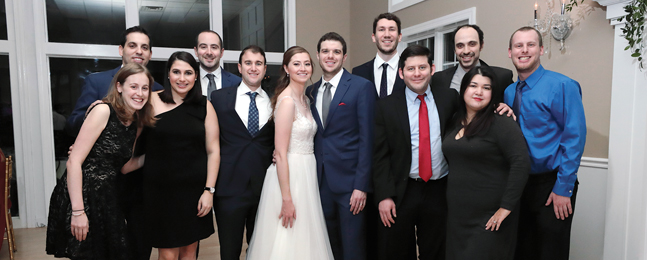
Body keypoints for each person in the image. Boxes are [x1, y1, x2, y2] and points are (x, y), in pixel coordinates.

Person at [46, 63, 156, 259]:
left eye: (145, 88)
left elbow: (124, 167)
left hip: (107, 197)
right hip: (82, 194)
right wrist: (78, 211)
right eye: (134, 86)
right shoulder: (103, 110)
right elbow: (73, 162)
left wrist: (155, 157)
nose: (139, 93)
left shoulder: (135, 121)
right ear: (120, 86)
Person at [127, 51, 219, 260]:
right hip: (159, 192)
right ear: (168, 74)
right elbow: (122, 119)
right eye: (176, 72)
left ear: (196, 76)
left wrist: (209, 191)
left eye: (188, 73)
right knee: (167, 254)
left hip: (193, 192)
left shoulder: (205, 106)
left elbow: (213, 151)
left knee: (189, 251)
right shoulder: (150, 100)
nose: (182, 78)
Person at [505, 27, 586, 260]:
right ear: (510, 52)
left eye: (530, 45)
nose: (524, 50)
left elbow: (575, 138)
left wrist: (564, 187)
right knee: (522, 250)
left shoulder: (563, 86)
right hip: (520, 184)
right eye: (518, 46)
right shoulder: (509, 92)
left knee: (551, 252)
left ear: (541, 50)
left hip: (552, 183)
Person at [246, 46, 334, 260]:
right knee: (287, 237)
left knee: (306, 237)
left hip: (307, 173)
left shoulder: (306, 99)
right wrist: (286, 199)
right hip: (290, 177)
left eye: (306, 63)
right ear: (286, 68)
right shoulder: (287, 102)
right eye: (296, 64)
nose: (302, 68)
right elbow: (281, 153)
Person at [372, 45, 457, 260]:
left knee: (437, 250)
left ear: (432, 69)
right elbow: (379, 155)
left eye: (422, 67)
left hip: (440, 188)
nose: (417, 73)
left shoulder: (450, 98)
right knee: (399, 251)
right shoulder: (386, 106)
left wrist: (499, 107)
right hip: (403, 189)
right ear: (401, 73)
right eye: (410, 69)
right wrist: (384, 195)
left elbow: (473, 117)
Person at [442, 66, 530, 260]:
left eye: (486, 87)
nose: (479, 92)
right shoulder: (455, 122)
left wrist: (506, 208)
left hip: (489, 218)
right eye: (473, 85)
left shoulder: (501, 122)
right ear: (464, 89)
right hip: (457, 217)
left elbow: (521, 162)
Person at [308, 32, 377, 260]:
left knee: (353, 247)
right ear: (318, 55)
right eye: (326, 51)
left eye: (336, 52)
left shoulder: (361, 87)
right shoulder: (310, 91)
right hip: (318, 182)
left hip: (350, 185)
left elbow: (368, 139)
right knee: (327, 245)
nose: (331, 56)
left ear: (344, 56)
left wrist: (361, 185)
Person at [210, 45, 275, 260]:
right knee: (229, 251)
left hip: (265, 188)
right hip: (229, 189)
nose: (253, 68)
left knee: (261, 251)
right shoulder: (219, 98)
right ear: (239, 67)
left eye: (258, 64)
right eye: (248, 63)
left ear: (265, 69)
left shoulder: (277, 100)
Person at [66, 26, 163, 135]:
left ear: (150, 55)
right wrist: (90, 115)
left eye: (144, 47)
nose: (139, 51)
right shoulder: (96, 81)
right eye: (132, 46)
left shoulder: (157, 89)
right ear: (121, 50)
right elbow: (71, 125)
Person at [431, 24, 513, 98]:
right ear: (454, 49)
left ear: (481, 46)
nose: (466, 51)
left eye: (472, 44)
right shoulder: (438, 79)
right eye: (460, 46)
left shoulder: (502, 78)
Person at [352, 13, 406, 98]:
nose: (387, 35)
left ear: (399, 37)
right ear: (373, 37)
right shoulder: (358, 73)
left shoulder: (410, 70)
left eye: (392, 29)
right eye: (381, 30)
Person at [194, 30, 242, 100]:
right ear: (196, 51)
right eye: (203, 47)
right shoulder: (188, 81)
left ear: (221, 52)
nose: (209, 52)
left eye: (214, 47)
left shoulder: (237, 82)